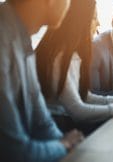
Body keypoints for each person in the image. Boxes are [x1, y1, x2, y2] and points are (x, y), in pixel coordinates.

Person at [35, 0, 113, 134]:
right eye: (94, 18)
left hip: (65, 120)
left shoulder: (72, 54)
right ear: (80, 21)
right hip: (57, 124)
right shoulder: (60, 56)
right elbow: (77, 110)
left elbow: (85, 96)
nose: (98, 23)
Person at [0, 0, 83, 162]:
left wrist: (69, 145)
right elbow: (14, 152)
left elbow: (42, 122)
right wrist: (63, 145)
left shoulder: (23, 37)